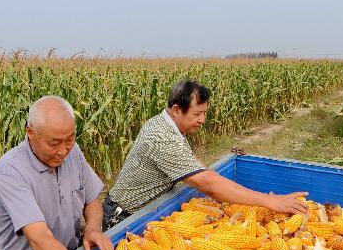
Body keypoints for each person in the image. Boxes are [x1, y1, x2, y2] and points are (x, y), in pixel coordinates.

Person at [0, 96, 128, 250]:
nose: (63, 150)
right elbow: (39, 238)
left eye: (70, 139)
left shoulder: (73, 153)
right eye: (54, 143)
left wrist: (93, 228)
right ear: (30, 133)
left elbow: (92, 199)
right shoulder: (10, 171)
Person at [104, 80, 308, 229]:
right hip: (123, 218)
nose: (202, 120)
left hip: (140, 212)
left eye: (204, 113)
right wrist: (270, 201)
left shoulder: (168, 126)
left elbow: (197, 166)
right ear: (176, 110)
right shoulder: (161, 137)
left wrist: (231, 190)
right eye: (197, 114)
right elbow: (207, 183)